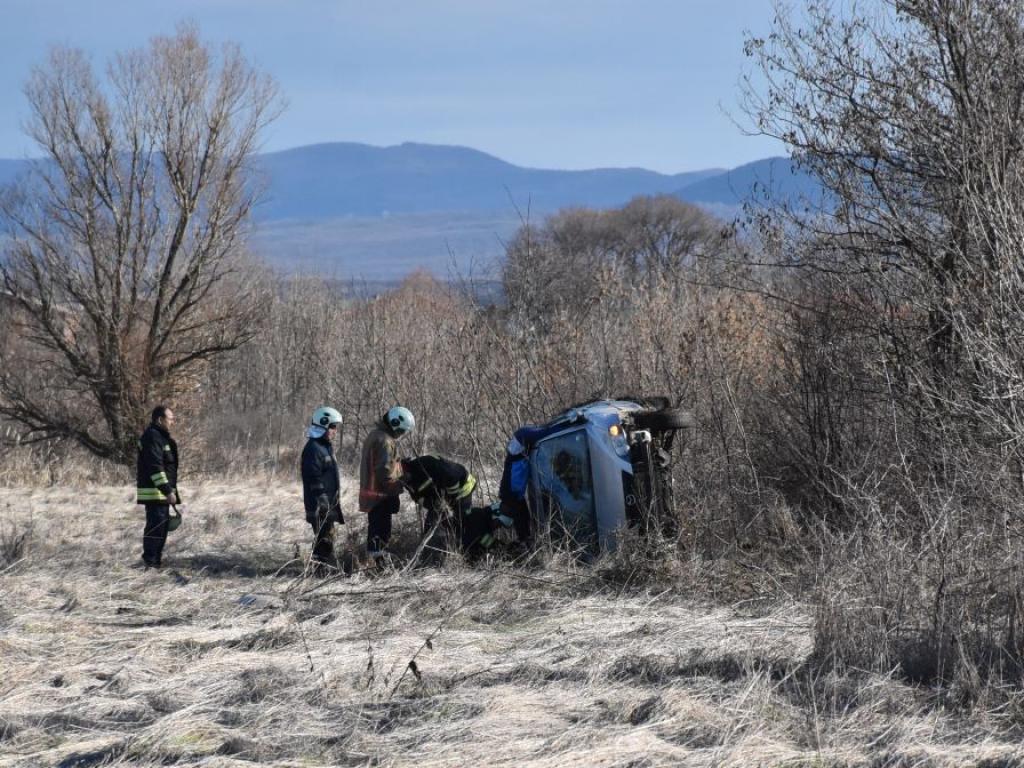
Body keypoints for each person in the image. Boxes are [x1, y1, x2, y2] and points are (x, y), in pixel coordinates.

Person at [359, 406, 414, 568]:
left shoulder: (375, 435)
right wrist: (401, 482)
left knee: (375, 530)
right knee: (380, 533)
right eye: (402, 430)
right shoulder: (386, 441)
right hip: (380, 496)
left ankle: (374, 565)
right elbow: (384, 470)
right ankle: (379, 568)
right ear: (395, 423)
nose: (402, 434)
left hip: (373, 494)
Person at [399, 454, 477, 560]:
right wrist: (435, 505)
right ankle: (428, 559)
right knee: (430, 528)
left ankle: (468, 555)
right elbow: (418, 497)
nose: (403, 481)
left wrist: (450, 502)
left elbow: (452, 476)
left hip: (463, 488)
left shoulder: (427, 462)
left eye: (403, 477)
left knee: (461, 524)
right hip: (441, 498)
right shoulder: (407, 480)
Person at [301, 406, 345, 573]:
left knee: (326, 538)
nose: (335, 431)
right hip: (320, 506)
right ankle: (318, 572)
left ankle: (320, 570)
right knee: (324, 540)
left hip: (328, 505)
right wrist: (322, 500)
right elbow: (313, 477)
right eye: (333, 426)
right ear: (323, 424)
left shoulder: (324, 446)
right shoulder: (313, 449)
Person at [136, 405, 180, 569]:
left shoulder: (160, 437)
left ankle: (155, 562)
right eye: (170, 419)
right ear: (160, 420)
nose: (172, 422)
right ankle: (150, 563)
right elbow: (155, 467)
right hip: (155, 493)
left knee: (161, 528)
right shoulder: (153, 437)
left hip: (160, 493)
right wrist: (167, 490)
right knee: (156, 528)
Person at [498, 435, 533, 548]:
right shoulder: (515, 458)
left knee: (524, 518)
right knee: (522, 520)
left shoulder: (517, 459)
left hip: (513, 495)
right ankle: (525, 543)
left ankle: (525, 542)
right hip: (511, 495)